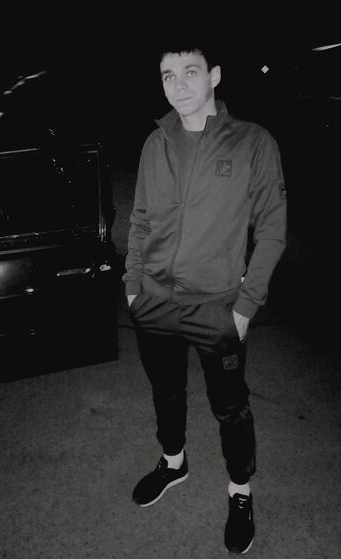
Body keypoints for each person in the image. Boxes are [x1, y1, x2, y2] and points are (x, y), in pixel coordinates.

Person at [122, 39, 287, 554]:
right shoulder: (156, 143)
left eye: (190, 72)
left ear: (214, 75)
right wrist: (132, 286)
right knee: (165, 392)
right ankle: (174, 463)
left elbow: (272, 230)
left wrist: (246, 306)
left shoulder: (253, 142)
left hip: (217, 307)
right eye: (168, 76)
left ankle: (240, 492)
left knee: (231, 408)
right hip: (153, 302)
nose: (178, 86)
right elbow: (140, 219)